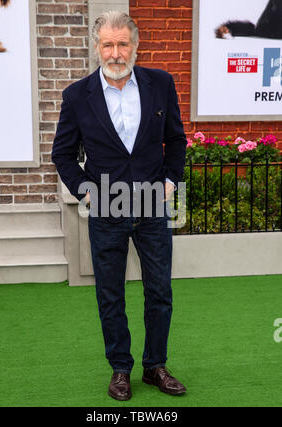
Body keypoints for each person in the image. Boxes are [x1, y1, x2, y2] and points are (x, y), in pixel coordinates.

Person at [52, 11, 187, 401]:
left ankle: (155, 366)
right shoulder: (77, 96)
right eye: (108, 44)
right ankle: (120, 369)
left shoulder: (160, 84)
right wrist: (86, 191)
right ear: (97, 47)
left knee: (159, 290)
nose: (115, 53)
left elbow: (175, 140)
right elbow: (62, 154)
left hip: (151, 205)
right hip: (106, 207)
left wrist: (169, 181)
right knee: (110, 294)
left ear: (135, 46)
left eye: (122, 43)